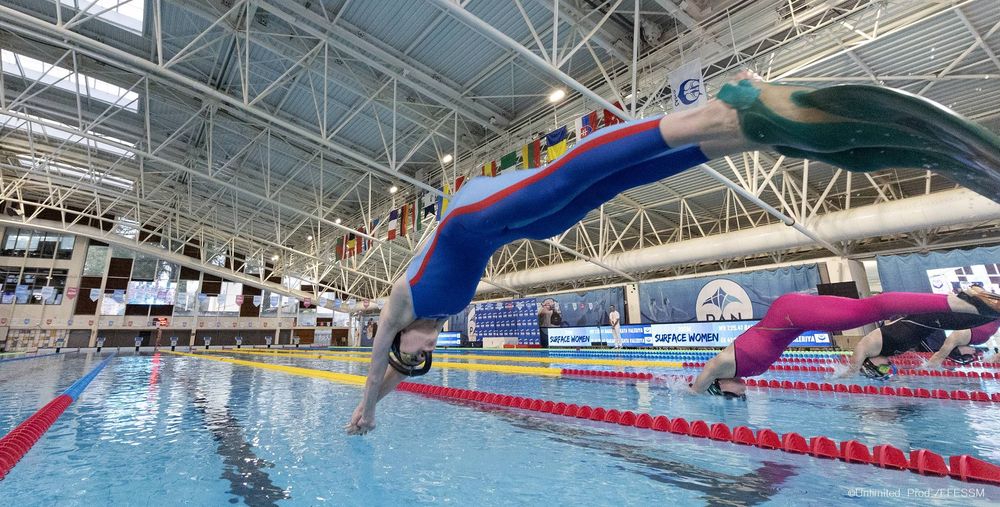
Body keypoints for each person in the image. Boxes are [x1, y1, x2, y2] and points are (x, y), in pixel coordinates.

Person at [346, 73, 1000, 434]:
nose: (424, 342)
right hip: (512, 230)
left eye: (414, 347)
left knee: (567, 177)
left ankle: (711, 116)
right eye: (425, 352)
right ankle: (732, 140)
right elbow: (399, 367)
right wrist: (390, 392)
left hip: (473, 212)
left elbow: (378, 363)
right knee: (598, 190)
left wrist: (365, 406)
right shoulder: (439, 320)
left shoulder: (403, 297)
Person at [689, 287, 1000, 398]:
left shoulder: (723, 364)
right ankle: (968, 306)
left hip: (787, 314)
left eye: (728, 394)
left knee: (866, 310)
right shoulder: (746, 373)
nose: (737, 395)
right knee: (865, 311)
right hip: (792, 320)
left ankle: (960, 299)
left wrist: (692, 392)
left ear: (720, 383)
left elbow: (698, 385)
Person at [843, 311, 1000, 378]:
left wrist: (838, 379)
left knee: (965, 315)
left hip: (921, 320)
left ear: (870, 364)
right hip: (926, 325)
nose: (888, 366)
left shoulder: (865, 348)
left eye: (883, 368)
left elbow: (851, 371)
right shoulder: (885, 352)